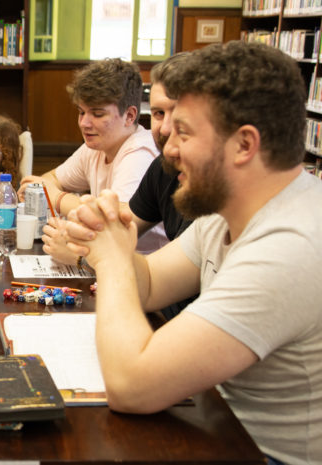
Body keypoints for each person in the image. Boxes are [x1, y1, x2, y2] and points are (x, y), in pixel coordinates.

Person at [64, 41, 321, 465]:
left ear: (244, 145)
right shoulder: (229, 211)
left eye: (184, 132)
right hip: (218, 425)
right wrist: (105, 235)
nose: (167, 149)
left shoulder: (290, 246)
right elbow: (146, 284)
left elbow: (130, 387)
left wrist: (110, 258)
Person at [43, 53, 194, 319]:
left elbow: (114, 243)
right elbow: (139, 268)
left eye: (182, 115)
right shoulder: (164, 168)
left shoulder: (143, 155)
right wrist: (93, 247)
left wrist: (84, 255)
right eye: (159, 113)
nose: (167, 129)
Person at [18, 58, 166, 256]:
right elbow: (51, 179)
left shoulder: (140, 152)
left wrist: (57, 198)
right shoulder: (96, 145)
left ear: (129, 116)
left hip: (143, 269)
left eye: (97, 114)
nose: (84, 123)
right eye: (81, 112)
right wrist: (40, 190)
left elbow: (115, 226)